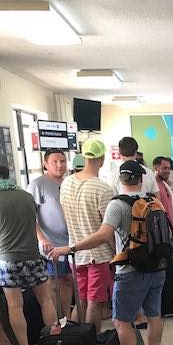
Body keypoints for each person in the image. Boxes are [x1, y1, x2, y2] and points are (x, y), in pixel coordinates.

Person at [51, 161, 164, 345]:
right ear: (141, 179)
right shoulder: (155, 202)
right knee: (154, 315)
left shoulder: (118, 204)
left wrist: (72, 248)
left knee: (121, 320)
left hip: (131, 270)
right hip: (157, 267)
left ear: (120, 179)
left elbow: (104, 235)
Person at [0, 164, 57, 345]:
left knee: (15, 306)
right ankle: (54, 344)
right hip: (33, 257)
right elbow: (34, 225)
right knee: (46, 299)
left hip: (6, 262)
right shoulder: (26, 196)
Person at [60, 139, 116, 333]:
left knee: (81, 300)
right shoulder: (104, 189)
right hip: (98, 255)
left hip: (75, 253)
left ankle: (77, 343)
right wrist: (117, 254)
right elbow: (107, 230)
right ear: (101, 158)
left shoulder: (66, 183)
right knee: (95, 302)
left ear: (83, 157)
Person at [26, 149, 74, 315]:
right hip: (51, 245)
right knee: (54, 283)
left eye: (62, 161)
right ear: (45, 164)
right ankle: (57, 322)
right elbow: (29, 216)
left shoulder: (69, 182)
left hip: (72, 243)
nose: (60, 165)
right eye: (55, 161)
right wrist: (42, 238)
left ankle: (67, 318)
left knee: (68, 281)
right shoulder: (37, 185)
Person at [152, 156, 173, 229]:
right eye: (165, 168)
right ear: (156, 168)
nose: (168, 171)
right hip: (162, 228)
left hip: (172, 226)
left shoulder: (164, 184)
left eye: (169, 168)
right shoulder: (153, 186)